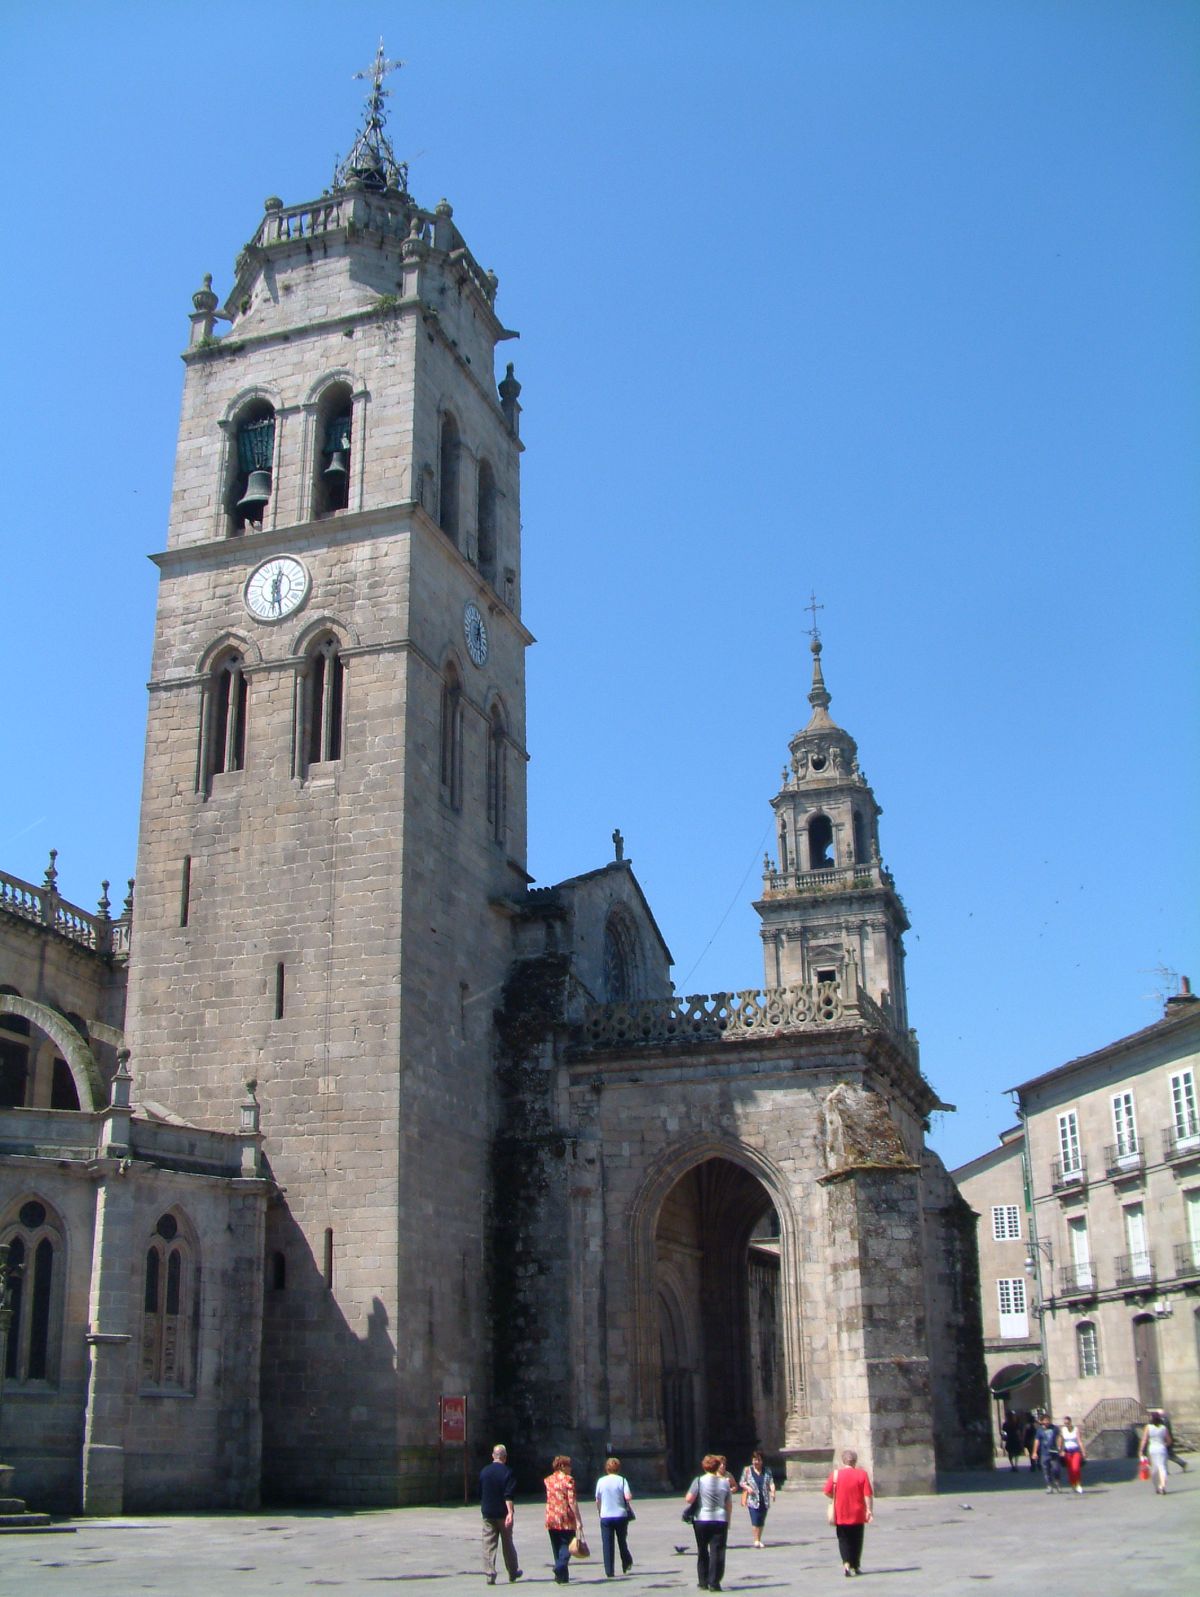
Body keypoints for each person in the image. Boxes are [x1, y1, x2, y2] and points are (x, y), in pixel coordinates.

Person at [684, 1453, 732, 1592]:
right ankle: (714, 1582)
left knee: (702, 1550)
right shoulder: (725, 1482)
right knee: (718, 1551)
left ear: (704, 1466)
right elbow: (728, 1504)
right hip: (720, 1519)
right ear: (717, 1466)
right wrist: (728, 1520)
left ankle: (703, 1581)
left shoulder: (698, 1481)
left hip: (702, 1519)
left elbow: (689, 1499)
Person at [823, 1448, 873, 1578]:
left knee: (843, 1540)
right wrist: (869, 1510)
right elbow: (867, 1494)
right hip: (857, 1513)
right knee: (857, 1540)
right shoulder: (862, 1474)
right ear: (855, 1461)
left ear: (843, 1461)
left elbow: (827, 1491)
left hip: (841, 1512)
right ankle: (855, 1566)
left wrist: (836, 1496)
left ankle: (846, 1564)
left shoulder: (836, 1475)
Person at [480, 1443, 522, 1585]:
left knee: (488, 1544)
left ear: (493, 1456)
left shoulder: (484, 1471)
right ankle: (512, 1572)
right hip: (503, 1513)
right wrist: (510, 1512)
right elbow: (508, 1495)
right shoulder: (508, 1472)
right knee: (507, 1543)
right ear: (504, 1457)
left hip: (488, 1512)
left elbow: (480, 1492)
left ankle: (490, 1573)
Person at [544, 1455, 584, 1584]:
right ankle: (559, 1567)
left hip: (551, 1516)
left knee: (557, 1547)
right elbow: (572, 1502)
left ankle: (562, 1577)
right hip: (565, 1517)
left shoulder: (548, 1480)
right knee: (567, 1547)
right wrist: (578, 1520)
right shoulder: (568, 1480)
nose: (571, 1468)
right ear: (562, 1466)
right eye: (569, 1465)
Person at [594, 1456, 634, 1578]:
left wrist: (600, 1511)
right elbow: (628, 1497)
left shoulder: (601, 1481)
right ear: (618, 1468)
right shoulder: (622, 1480)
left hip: (606, 1516)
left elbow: (597, 1499)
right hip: (621, 1515)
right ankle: (626, 1561)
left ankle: (609, 1570)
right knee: (622, 1541)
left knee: (607, 1543)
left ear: (607, 1468)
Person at [738, 1450, 776, 1547]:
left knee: (761, 1520)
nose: (756, 1462)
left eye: (758, 1460)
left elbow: (771, 1482)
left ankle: (759, 1538)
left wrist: (773, 1492)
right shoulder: (747, 1470)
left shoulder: (767, 1470)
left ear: (762, 1461)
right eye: (755, 1460)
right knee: (755, 1519)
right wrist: (748, 1487)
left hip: (764, 1499)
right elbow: (742, 1482)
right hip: (753, 1500)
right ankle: (756, 1540)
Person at [1140, 1410, 1172, 1495]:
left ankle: (1157, 1487)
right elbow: (1169, 1441)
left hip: (1152, 1449)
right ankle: (1163, 1486)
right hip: (1161, 1448)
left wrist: (1141, 1450)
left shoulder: (1148, 1427)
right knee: (1162, 1468)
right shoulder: (1163, 1428)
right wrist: (1164, 1444)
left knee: (1154, 1469)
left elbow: (1144, 1439)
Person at [1032, 1411, 1062, 1493]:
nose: (1046, 1422)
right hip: (1044, 1453)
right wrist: (1034, 1452)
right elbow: (1037, 1441)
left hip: (1054, 1452)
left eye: (1048, 1420)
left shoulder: (1054, 1428)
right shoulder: (1039, 1430)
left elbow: (1059, 1437)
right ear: (1041, 1421)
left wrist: (1059, 1447)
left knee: (1056, 1469)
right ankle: (1049, 1486)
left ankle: (1057, 1484)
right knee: (1046, 1470)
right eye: (1045, 1420)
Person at [1059, 1416, 1085, 1494]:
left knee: (1076, 1468)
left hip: (1076, 1451)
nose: (1066, 1424)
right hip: (1067, 1452)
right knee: (1070, 1470)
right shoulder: (1063, 1430)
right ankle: (1073, 1484)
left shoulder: (1076, 1429)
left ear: (1070, 1422)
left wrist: (1083, 1451)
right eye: (1065, 1423)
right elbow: (1061, 1441)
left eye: (1068, 1423)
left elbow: (1079, 1441)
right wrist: (1060, 1450)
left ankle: (1078, 1484)